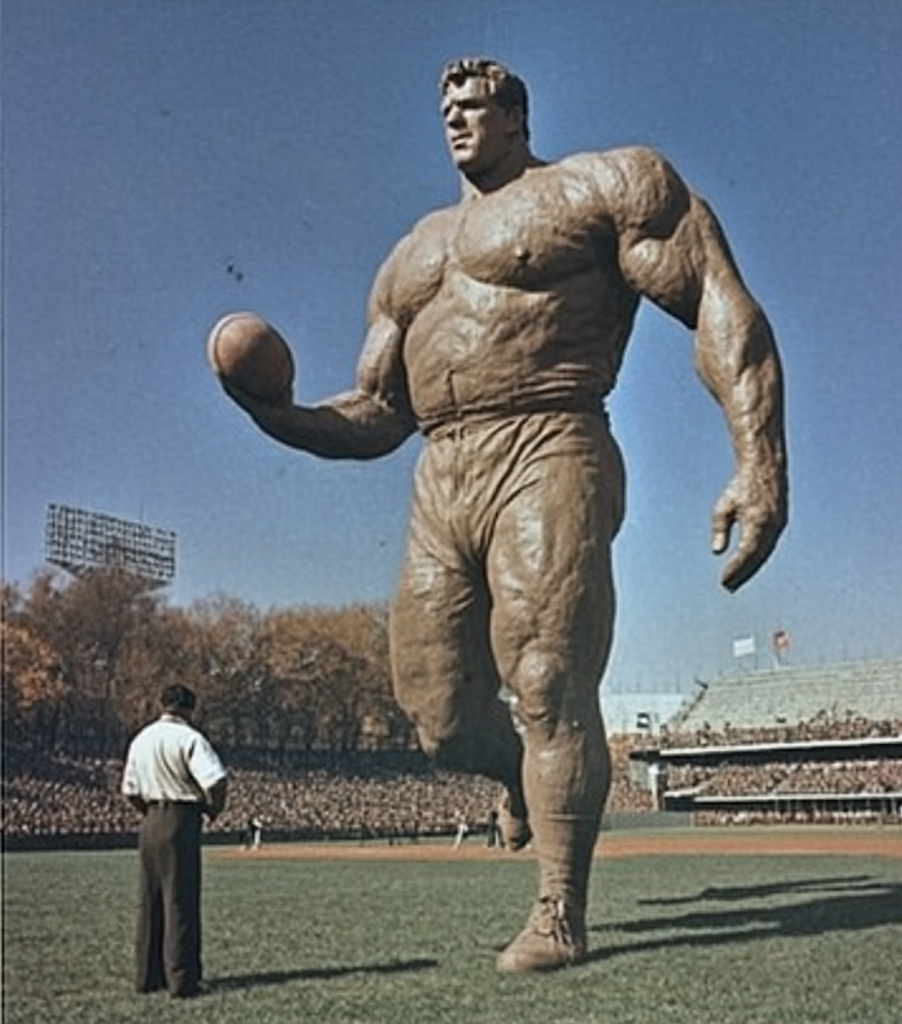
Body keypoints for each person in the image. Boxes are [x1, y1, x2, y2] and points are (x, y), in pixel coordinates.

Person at [217, 57, 787, 971]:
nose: (455, 120)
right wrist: (277, 414)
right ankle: (512, 781)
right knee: (438, 719)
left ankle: (559, 911)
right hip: (440, 470)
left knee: (548, 676)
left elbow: (720, 302)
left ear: (518, 114)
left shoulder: (599, 186)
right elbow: (378, 418)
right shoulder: (412, 256)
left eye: (474, 105)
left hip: (550, 437)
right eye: (445, 108)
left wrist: (759, 463)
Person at [121, 684, 227, 998]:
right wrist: (213, 809)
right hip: (181, 819)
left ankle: (148, 976)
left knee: (150, 899)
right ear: (189, 709)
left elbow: (129, 789)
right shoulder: (190, 738)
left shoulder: (142, 738)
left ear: (161, 704)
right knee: (180, 899)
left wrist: (148, 811)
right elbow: (216, 779)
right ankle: (182, 980)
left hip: (150, 818)